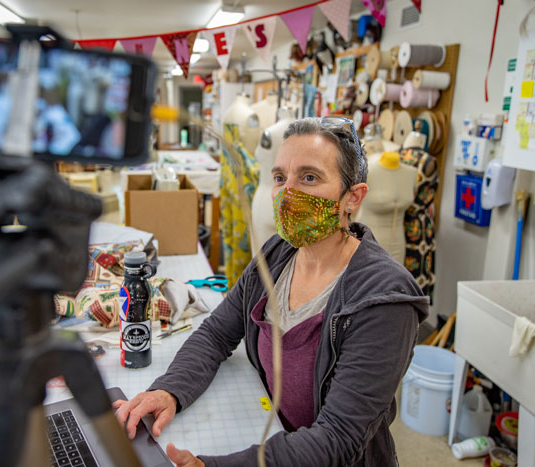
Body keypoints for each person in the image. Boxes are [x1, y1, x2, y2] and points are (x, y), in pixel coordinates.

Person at [114, 118, 429, 466]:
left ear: (352, 198)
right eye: (280, 178)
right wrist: (169, 390)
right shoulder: (278, 254)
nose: (287, 194)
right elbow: (217, 333)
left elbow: (337, 440)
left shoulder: (385, 299)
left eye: (309, 177)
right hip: (271, 433)